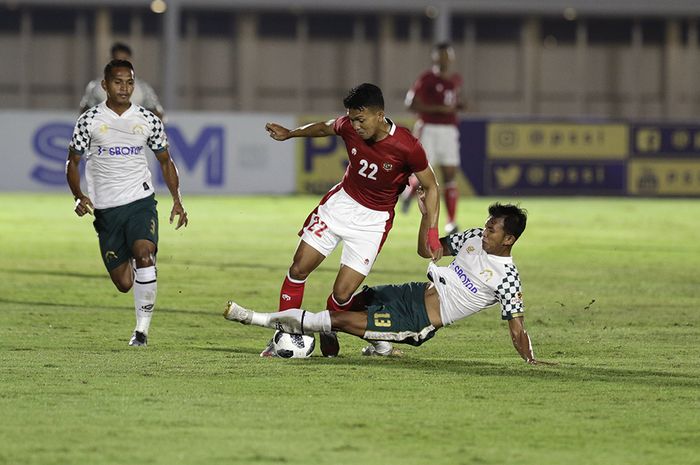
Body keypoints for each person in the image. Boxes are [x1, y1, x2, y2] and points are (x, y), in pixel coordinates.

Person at [224, 198, 544, 364]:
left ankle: (253, 318)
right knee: (351, 299)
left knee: (338, 319)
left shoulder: (508, 279)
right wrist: (425, 216)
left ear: (509, 239)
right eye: (487, 225)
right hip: (411, 293)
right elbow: (428, 250)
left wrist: (531, 360)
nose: (485, 231)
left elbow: (517, 329)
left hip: (416, 319)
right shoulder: (473, 237)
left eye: (493, 229)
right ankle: (380, 345)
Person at [264, 83, 442, 357]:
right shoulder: (348, 125)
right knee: (299, 268)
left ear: (380, 115)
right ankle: (285, 337)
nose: (355, 126)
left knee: (343, 295)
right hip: (340, 206)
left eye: (361, 120)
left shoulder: (408, 146)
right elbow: (324, 127)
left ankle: (328, 327)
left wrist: (432, 232)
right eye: (352, 119)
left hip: (373, 222)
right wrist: (290, 134)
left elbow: (431, 186)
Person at [66, 59, 188, 347]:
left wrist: (177, 200)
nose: (125, 87)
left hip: (140, 200)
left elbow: (165, 161)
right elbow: (72, 163)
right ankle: (143, 269)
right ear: (105, 85)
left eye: (130, 82)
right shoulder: (89, 121)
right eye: (118, 82)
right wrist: (78, 196)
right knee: (124, 284)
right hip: (106, 209)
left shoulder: (147, 120)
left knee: (144, 254)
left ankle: (141, 331)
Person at [403, 42, 464, 235]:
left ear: (452, 58)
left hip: (449, 130)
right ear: (435, 57)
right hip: (428, 128)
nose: (445, 58)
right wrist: (439, 109)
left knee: (450, 175)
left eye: (448, 54)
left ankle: (451, 221)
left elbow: (451, 103)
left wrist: (459, 106)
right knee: (424, 174)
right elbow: (411, 103)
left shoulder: (455, 80)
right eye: (442, 55)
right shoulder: (427, 78)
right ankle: (409, 193)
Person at [80, 42, 165, 120]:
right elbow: (85, 113)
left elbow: (157, 113)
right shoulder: (96, 87)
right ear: (110, 60)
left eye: (124, 60)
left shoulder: (142, 88)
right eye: (117, 60)